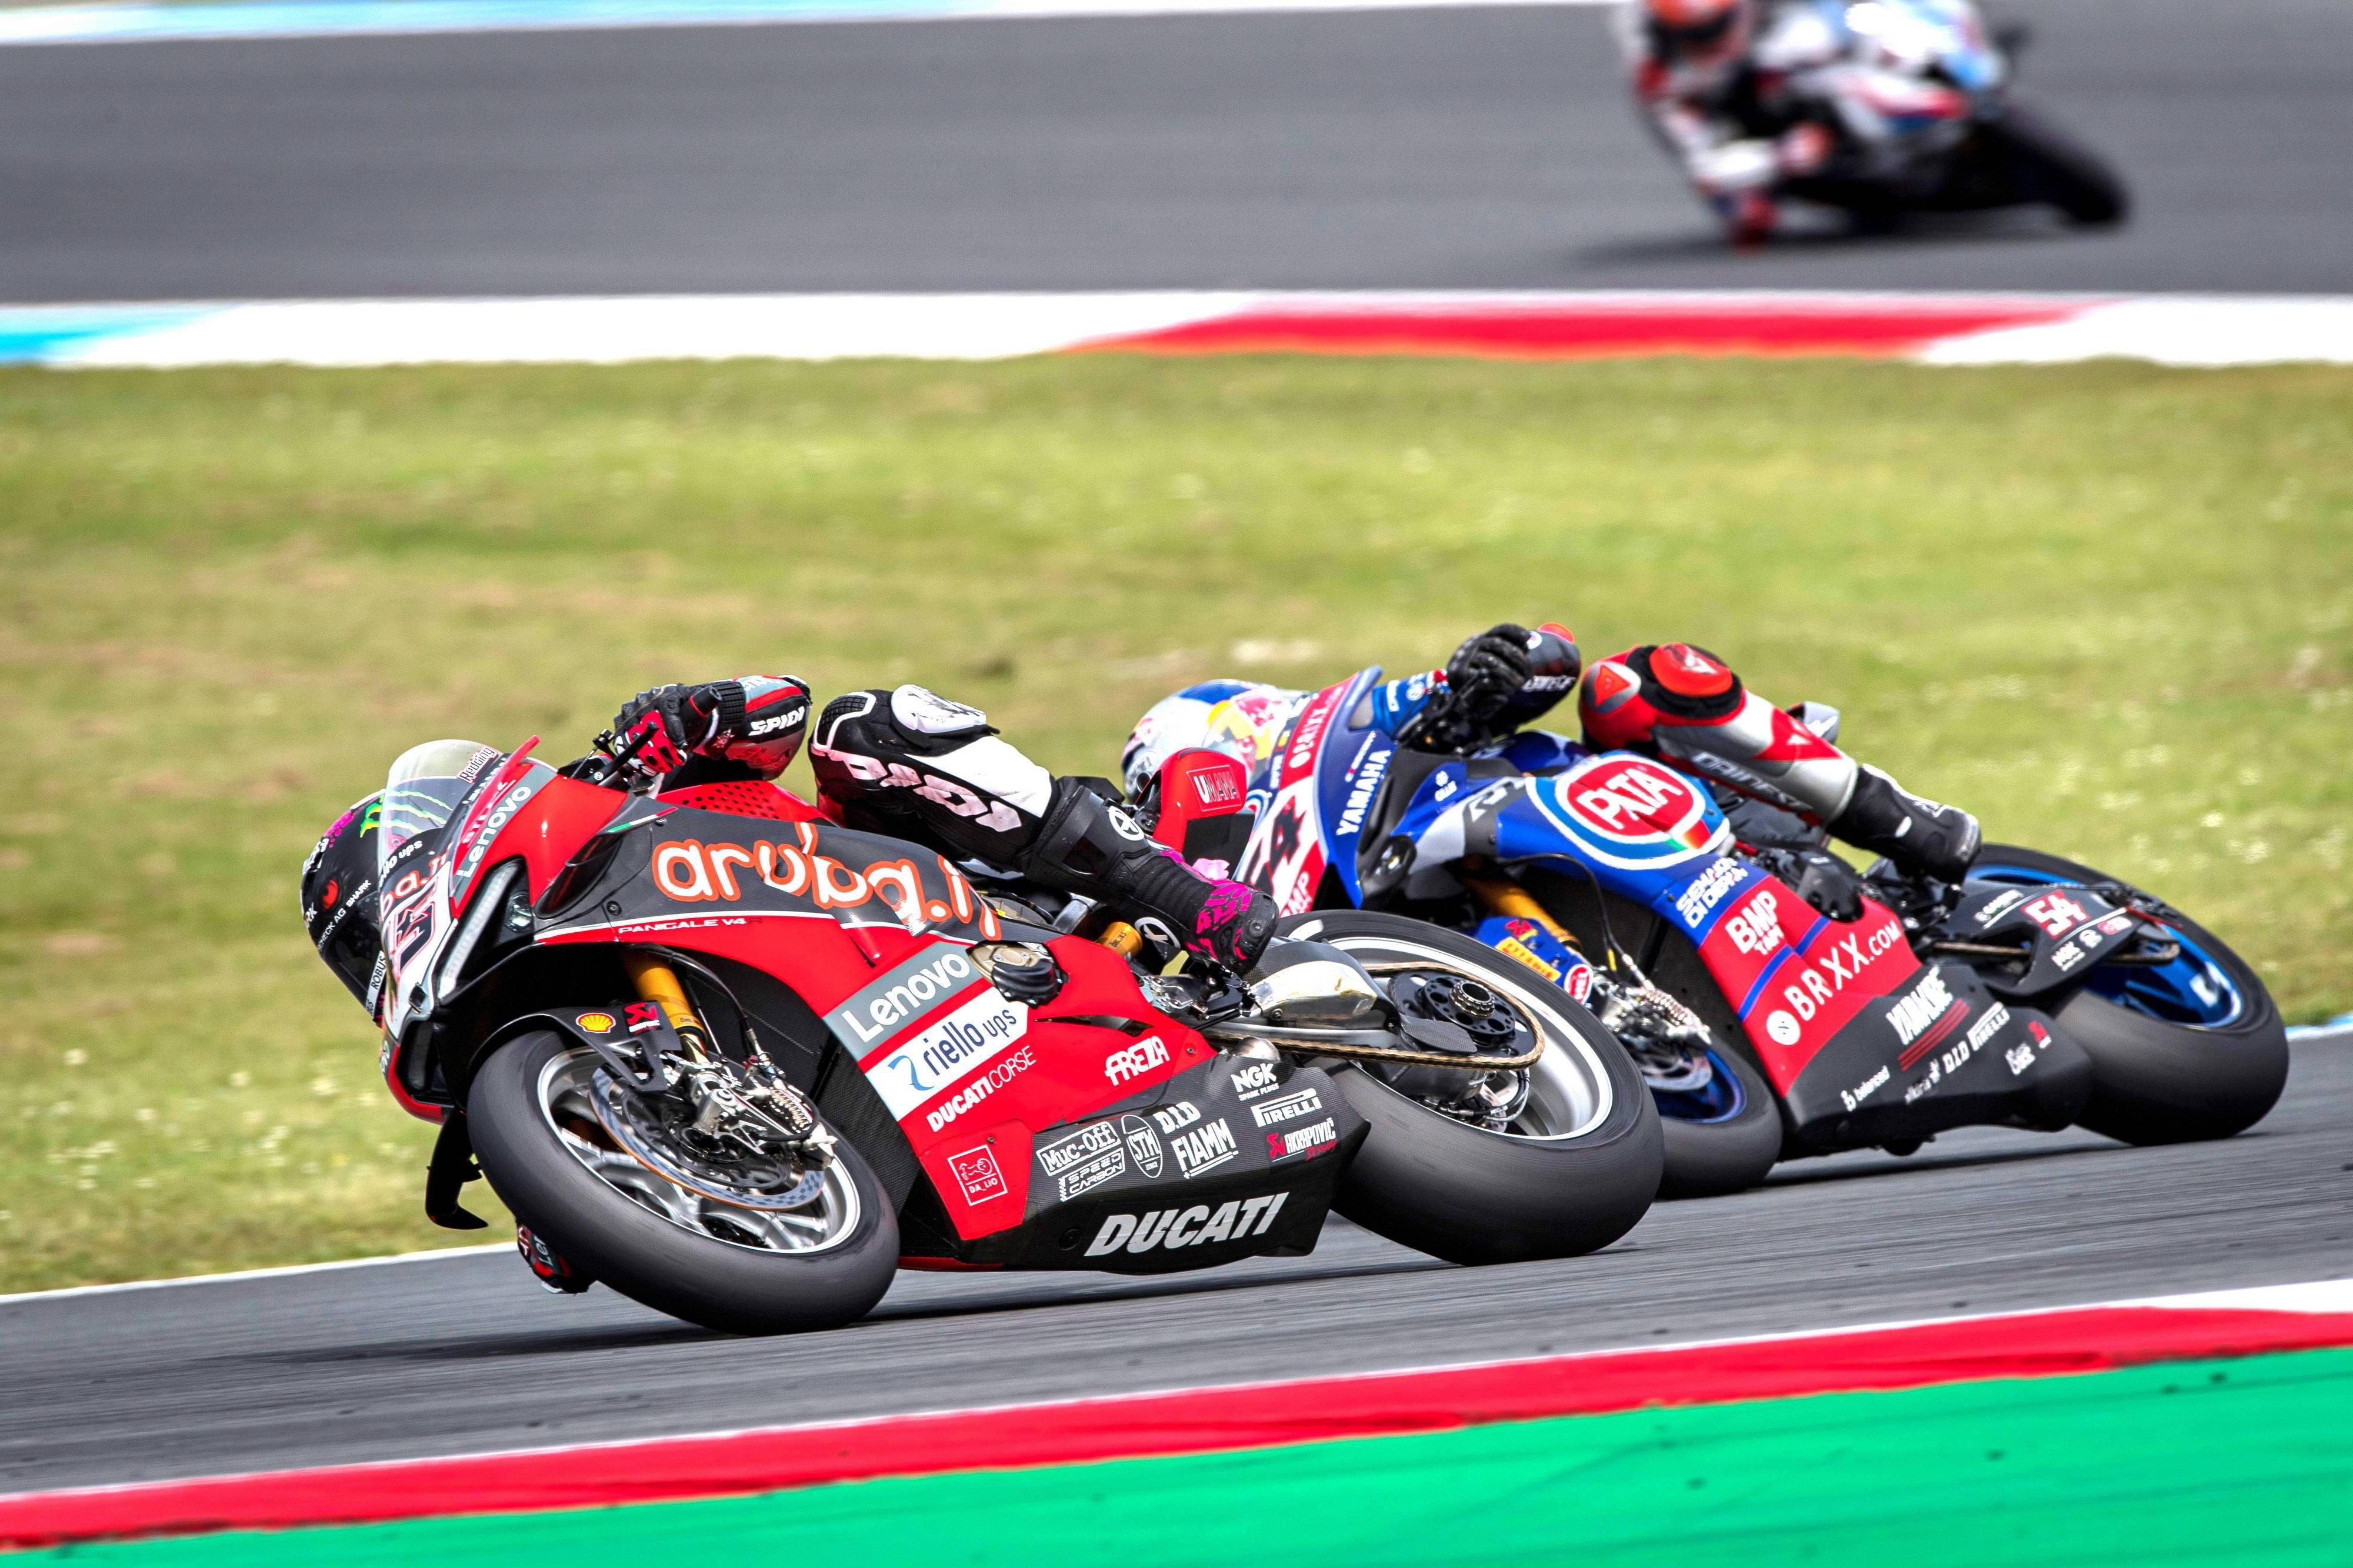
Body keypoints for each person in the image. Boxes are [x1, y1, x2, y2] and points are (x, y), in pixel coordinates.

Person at [1121, 624, 1979, 886]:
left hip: (1639, 800)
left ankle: (1899, 817)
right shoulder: (1237, 883)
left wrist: (1489, 670)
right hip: (1430, 895)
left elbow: (1552, 658)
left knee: (1632, 682)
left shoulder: (1382, 721)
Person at [1616, 0, 1842, 243]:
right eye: (1697, 34)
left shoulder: (1760, 19)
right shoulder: (1662, 83)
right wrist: (1782, 156)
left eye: (1715, 27)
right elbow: (1705, 167)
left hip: (1783, 52)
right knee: (1749, 216)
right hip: (1746, 128)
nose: (1710, 41)